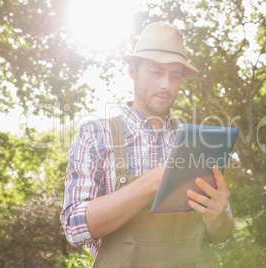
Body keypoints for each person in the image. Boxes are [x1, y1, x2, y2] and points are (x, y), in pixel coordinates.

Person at [60, 22, 235, 267]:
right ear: (133, 70)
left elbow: (222, 234)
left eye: (175, 76)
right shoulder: (94, 136)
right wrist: (155, 181)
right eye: (156, 72)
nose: (166, 84)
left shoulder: (199, 142)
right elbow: (75, 227)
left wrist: (217, 218)